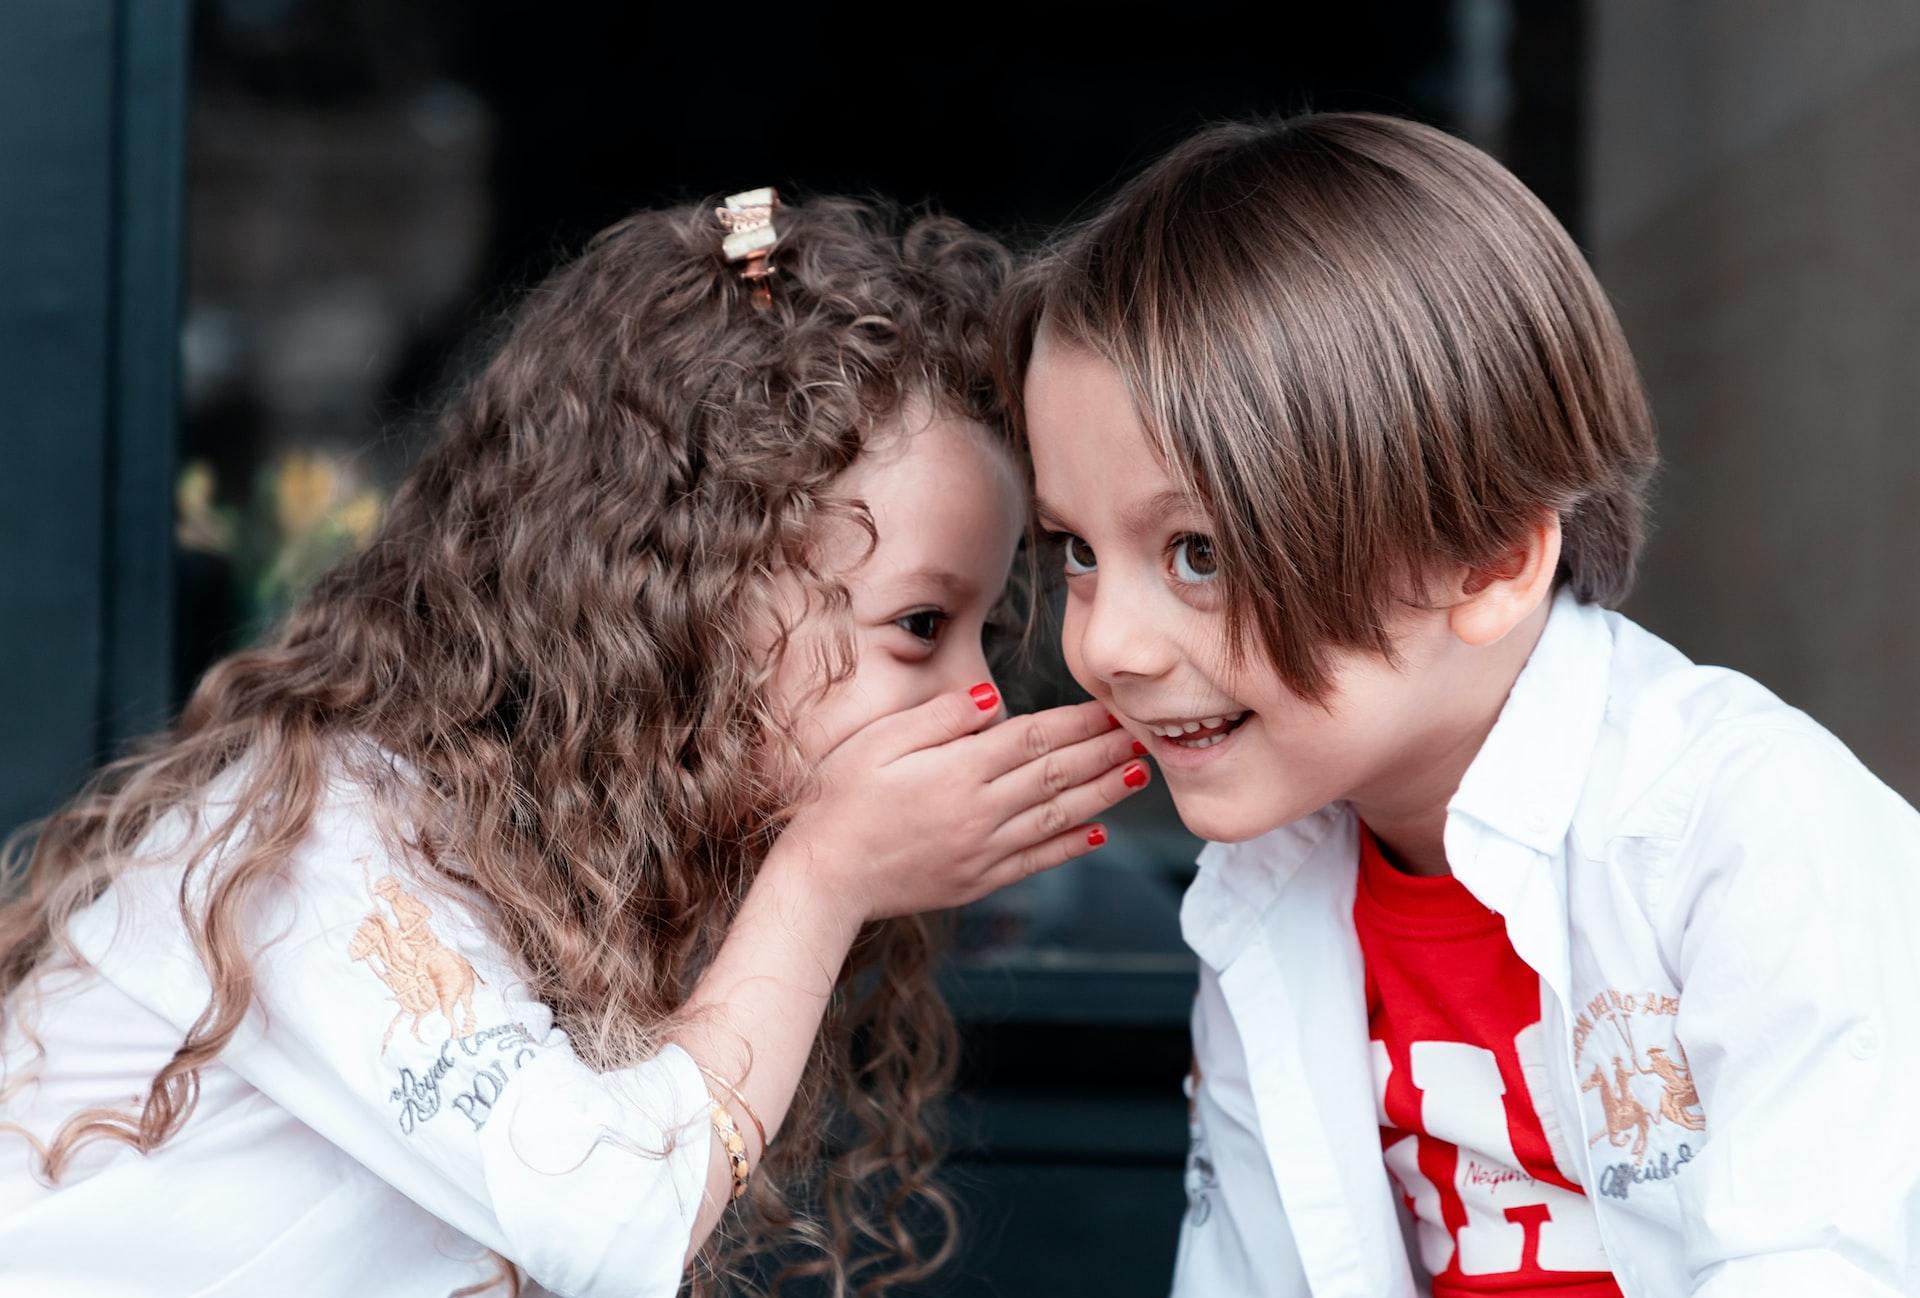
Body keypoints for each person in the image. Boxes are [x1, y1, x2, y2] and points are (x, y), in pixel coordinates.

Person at [0, 189, 1150, 1297]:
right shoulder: (318, 837)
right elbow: (612, 1219)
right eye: (920, 625)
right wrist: (825, 875)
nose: (982, 694)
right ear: (691, 593)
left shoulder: (601, 859)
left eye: (986, 631)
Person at [999, 113, 1920, 1297]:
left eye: (1196, 552)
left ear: (1486, 561)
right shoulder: (1265, 891)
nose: (1107, 644)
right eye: (1075, 549)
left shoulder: (1745, 837)